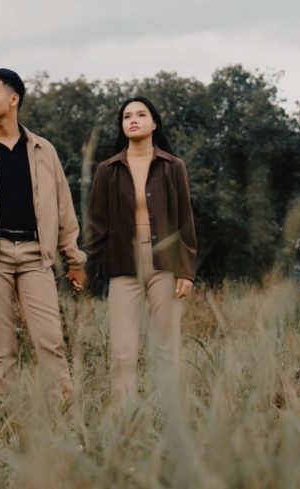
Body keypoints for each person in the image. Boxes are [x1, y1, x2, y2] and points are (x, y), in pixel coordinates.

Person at [0, 68, 86, 399]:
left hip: (36, 255)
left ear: (14, 99)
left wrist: (74, 258)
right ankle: (17, 430)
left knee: (50, 342)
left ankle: (68, 427)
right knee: (2, 351)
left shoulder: (43, 150)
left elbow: (64, 208)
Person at [86, 96, 197, 402]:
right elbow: (97, 225)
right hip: (124, 264)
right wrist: (82, 266)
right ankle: (125, 422)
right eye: (127, 116)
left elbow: (185, 221)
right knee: (122, 351)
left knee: (165, 348)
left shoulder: (173, 166)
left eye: (141, 114)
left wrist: (186, 270)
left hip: (164, 263)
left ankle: (167, 416)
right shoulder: (107, 169)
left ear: (154, 123)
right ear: (122, 126)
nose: (133, 120)